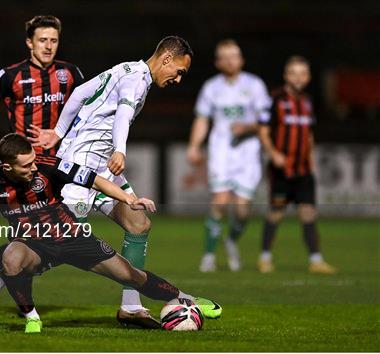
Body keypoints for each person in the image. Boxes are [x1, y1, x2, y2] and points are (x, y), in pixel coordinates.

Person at [0, 133, 222, 332]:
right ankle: (32, 319)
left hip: (72, 236)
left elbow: (96, 180)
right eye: (26, 165)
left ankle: (185, 298)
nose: (33, 167)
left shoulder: (49, 166)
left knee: (130, 275)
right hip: (33, 245)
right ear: (7, 167)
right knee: (12, 256)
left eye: (33, 161)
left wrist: (128, 200)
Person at [27, 36, 193, 326]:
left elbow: (79, 92)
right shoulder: (137, 81)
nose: (178, 79)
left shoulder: (126, 69)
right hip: (81, 165)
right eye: (179, 71)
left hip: (101, 167)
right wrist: (120, 149)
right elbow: (123, 116)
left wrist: (58, 131)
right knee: (59, 242)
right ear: (166, 59)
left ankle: (131, 306)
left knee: (138, 222)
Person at [0, 15, 84, 329]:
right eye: (42, 40)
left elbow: (89, 110)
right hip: (22, 175)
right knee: (40, 242)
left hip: (56, 171)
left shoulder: (70, 74)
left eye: (53, 40)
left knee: (54, 239)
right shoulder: (9, 76)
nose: (48, 46)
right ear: (29, 42)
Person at [187, 39, 271, 272]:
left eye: (234, 55)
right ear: (217, 62)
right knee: (220, 201)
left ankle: (231, 240)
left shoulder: (255, 85)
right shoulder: (211, 87)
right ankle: (209, 255)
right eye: (224, 56)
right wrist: (194, 146)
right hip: (221, 150)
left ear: (241, 59)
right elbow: (202, 118)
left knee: (243, 210)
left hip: (248, 152)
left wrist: (247, 127)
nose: (230, 60)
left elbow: (266, 119)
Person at [257, 56, 337, 274]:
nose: (298, 77)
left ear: (308, 77)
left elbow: (309, 134)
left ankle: (316, 260)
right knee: (276, 214)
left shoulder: (308, 102)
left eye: (303, 73)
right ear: (286, 75)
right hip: (282, 170)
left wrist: (311, 160)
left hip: (303, 169)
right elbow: (263, 131)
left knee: (309, 213)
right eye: (294, 72)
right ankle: (264, 257)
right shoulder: (274, 100)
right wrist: (273, 154)